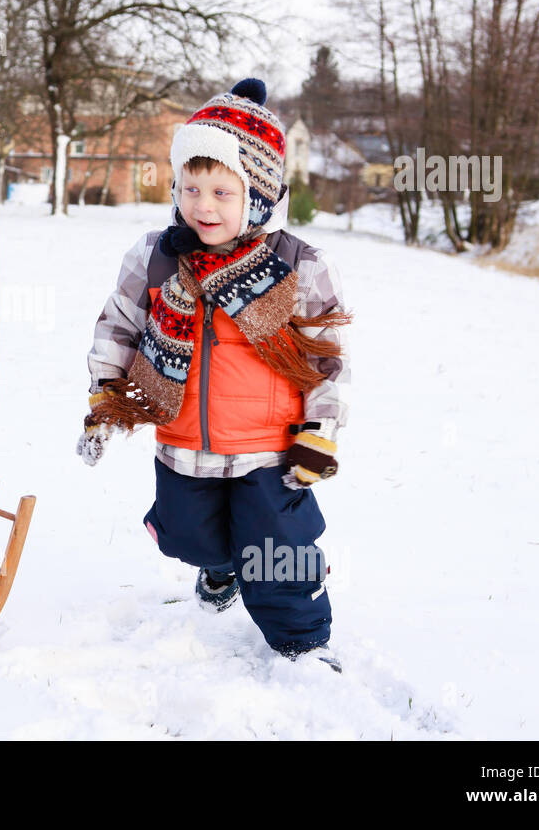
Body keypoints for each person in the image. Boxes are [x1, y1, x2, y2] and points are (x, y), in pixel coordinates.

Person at [76, 78, 353, 672]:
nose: (203, 205)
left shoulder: (296, 265)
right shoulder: (155, 257)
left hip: (269, 450)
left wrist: (320, 429)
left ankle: (303, 646)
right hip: (184, 444)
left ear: (258, 195)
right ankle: (220, 564)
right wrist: (105, 394)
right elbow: (118, 327)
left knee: (279, 553)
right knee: (187, 537)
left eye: (223, 191)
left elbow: (327, 356)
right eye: (191, 187)